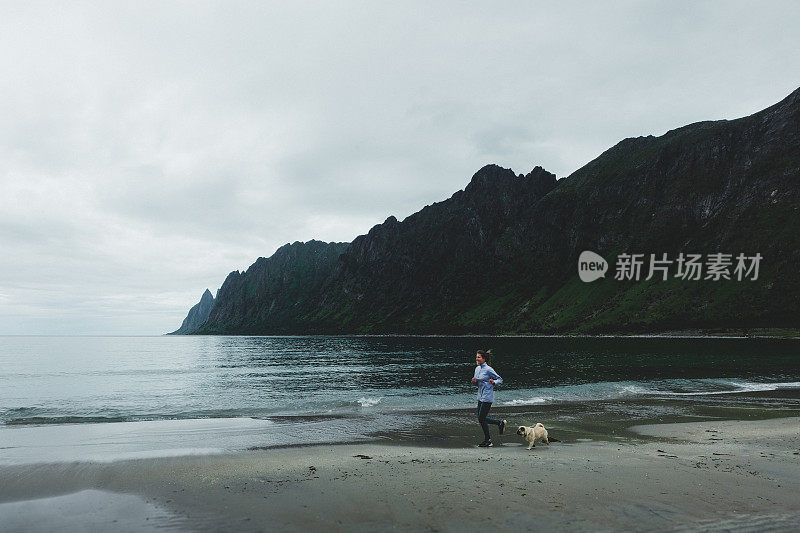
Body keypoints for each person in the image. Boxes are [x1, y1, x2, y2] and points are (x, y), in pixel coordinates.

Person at [471, 349, 506, 447]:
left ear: (484, 359)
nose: (476, 358)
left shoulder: (488, 369)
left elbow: (500, 379)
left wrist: (494, 382)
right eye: (476, 357)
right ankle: (499, 424)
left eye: (478, 357)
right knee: (481, 418)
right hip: (480, 396)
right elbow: (477, 383)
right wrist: (474, 382)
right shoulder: (477, 369)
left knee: (481, 418)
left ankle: (489, 439)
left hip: (487, 396)